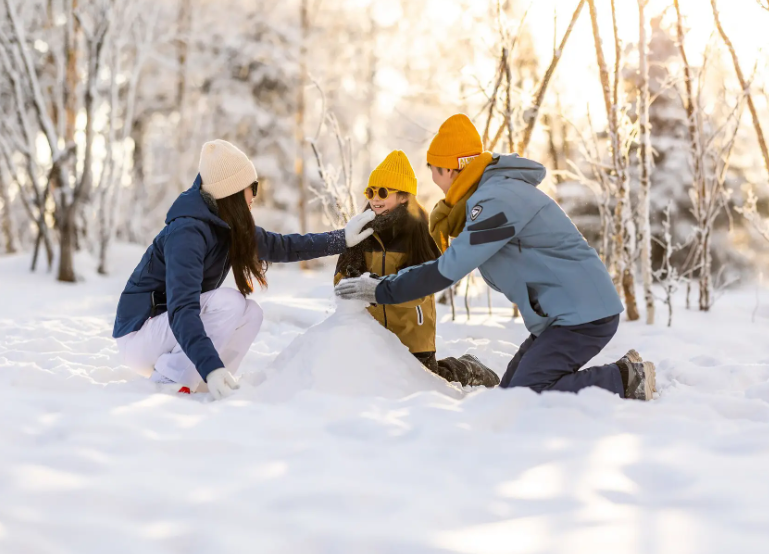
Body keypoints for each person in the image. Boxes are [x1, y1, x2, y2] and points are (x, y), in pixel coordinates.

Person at [336, 115, 656, 399]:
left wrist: (381, 289)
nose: (434, 179)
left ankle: (625, 378)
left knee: (529, 395)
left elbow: (447, 270)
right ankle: (620, 375)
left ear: (451, 168)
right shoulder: (487, 197)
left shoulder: (496, 200)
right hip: (561, 317)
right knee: (508, 395)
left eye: (435, 170)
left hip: (583, 314)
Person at [113, 139, 375, 399]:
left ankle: (209, 384)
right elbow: (183, 309)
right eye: (253, 187)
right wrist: (210, 365)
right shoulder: (187, 232)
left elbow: (284, 246)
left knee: (251, 313)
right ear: (234, 192)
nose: (255, 194)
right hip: (140, 335)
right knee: (229, 302)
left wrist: (342, 239)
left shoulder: (227, 226)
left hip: (167, 333)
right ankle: (173, 379)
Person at [334, 150, 499, 388]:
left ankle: (469, 367)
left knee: (429, 379)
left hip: (413, 334)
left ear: (403, 197)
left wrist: (376, 288)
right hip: (374, 335)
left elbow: (420, 289)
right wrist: (350, 275)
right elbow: (339, 283)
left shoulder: (417, 232)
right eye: (371, 192)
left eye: (383, 192)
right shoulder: (360, 231)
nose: (375, 199)